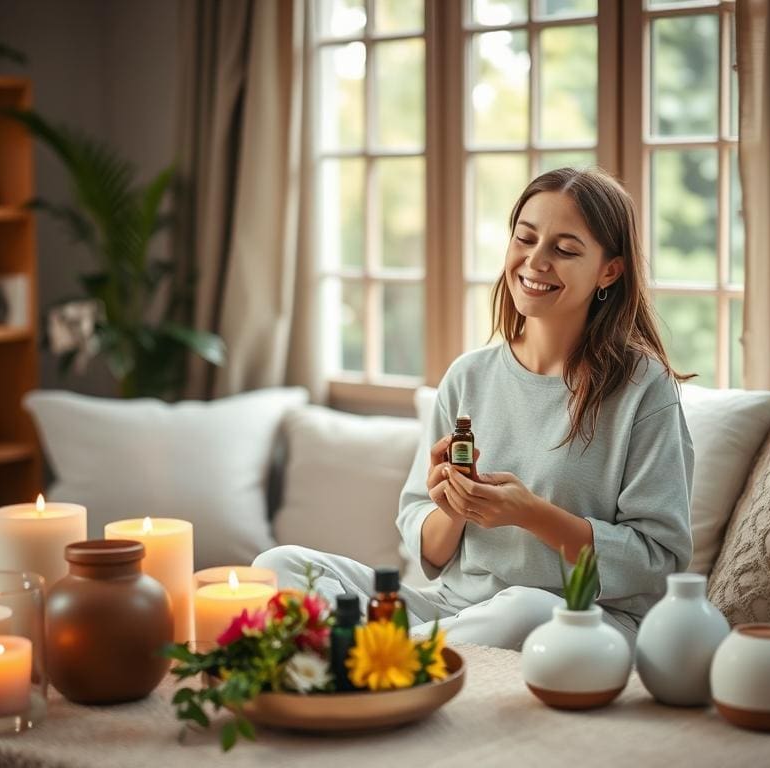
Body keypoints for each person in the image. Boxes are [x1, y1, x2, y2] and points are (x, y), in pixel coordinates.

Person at [254, 167, 694, 650]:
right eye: (525, 238)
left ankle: (369, 655)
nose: (535, 261)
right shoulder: (470, 375)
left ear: (610, 269)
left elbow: (658, 560)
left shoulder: (642, 389)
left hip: (575, 619)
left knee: (521, 607)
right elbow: (430, 547)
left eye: (564, 250)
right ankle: (384, 654)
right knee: (278, 566)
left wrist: (531, 514)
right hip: (454, 609)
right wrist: (455, 506)